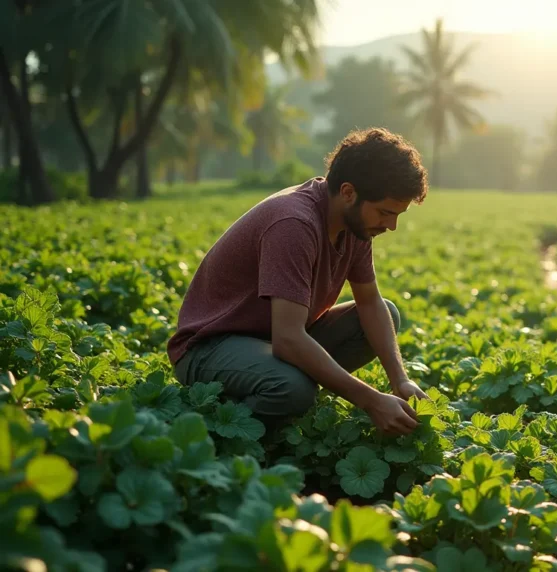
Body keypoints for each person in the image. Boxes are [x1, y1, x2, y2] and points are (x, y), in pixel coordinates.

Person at [167, 128, 429, 436]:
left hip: (271, 340)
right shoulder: (294, 224)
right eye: (385, 213)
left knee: (385, 313)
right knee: (294, 389)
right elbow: (288, 338)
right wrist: (370, 401)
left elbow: (369, 303)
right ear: (348, 193)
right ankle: (221, 425)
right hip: (210, 347)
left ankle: (275, 389)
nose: (392, 226)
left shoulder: (355, 223)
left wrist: (400, 380)